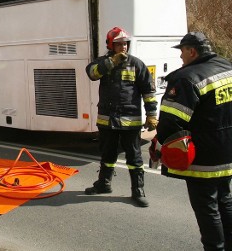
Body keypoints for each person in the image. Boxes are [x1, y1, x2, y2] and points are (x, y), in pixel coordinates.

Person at [155, 32, 232, 250]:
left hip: (203, 157)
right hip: (227, 151)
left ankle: (214, 247)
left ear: (192, 51)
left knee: (207, 207)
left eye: (182, 51)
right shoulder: (227, 66)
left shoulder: (187, 78)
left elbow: (171, 123)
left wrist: (161, 146)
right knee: (225, 200)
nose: (181, 57)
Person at [84, 26, 158, 207]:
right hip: (107, 120)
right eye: (119, 44)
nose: (123, 47)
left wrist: (151, 115)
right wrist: (111, 62)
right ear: (111, 45)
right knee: (107, 154)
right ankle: (104, 184)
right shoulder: (103, 63)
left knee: (134, 158)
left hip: (130, 120)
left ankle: (138, 191)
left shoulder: (137, 64)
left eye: (125, 44)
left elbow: (148, 91)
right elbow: (92, 73)